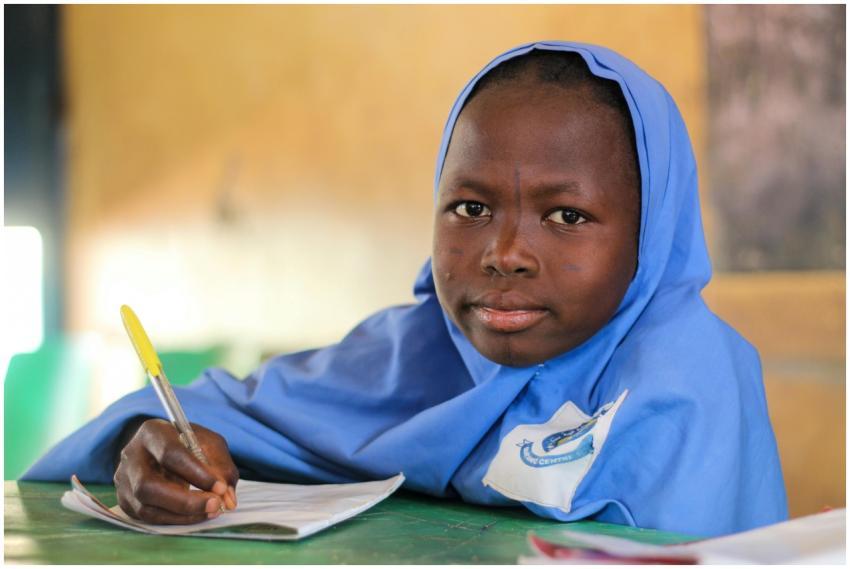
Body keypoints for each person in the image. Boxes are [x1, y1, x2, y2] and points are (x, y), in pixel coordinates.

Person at [23, 40, 788, 537]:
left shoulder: (684, 386)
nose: (505, 252)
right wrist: (149, 450)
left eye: (566, 214)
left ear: (650, 234)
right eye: (470, 207)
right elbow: (205, 413)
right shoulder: (411, 355)